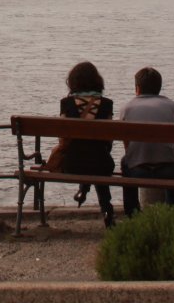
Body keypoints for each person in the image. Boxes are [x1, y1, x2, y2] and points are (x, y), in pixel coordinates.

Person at [120, 66, 174, 218]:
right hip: (168, 170)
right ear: (159, 88)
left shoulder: (126, 108)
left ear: (137, 89)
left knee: (125, 161)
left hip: (137, 170)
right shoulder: (173, 107)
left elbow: (127, 145)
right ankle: (173, 212)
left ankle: (132, 213)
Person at [58, 61, 115, 228]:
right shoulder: (106, 104)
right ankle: (107, 210)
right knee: (97, 161)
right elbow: (108, 139)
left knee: (84, 155)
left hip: (72, 165)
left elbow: (64, 139)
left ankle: (84, 189)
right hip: (101, 165)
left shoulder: (66, 104)